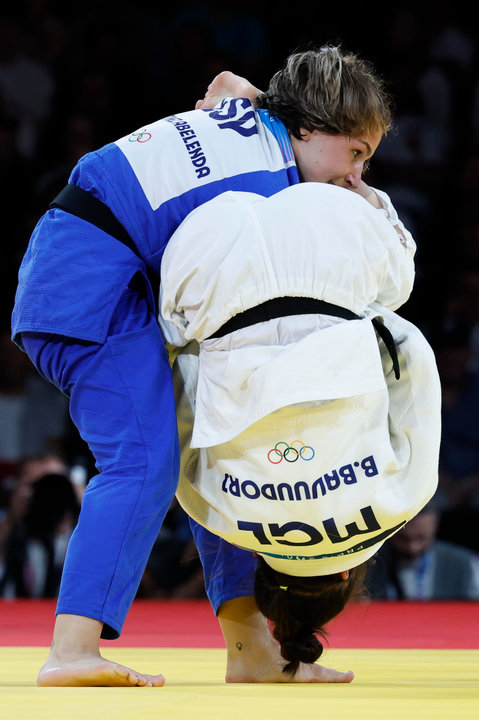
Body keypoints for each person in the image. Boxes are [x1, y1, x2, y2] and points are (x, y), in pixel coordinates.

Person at [11, 45, 396, 686]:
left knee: (214, 442)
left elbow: (224, 81)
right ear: (306, 128)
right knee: (143, 458)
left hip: (98, 274)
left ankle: (251, 653)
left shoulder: (255, 126)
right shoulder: (268, 189)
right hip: (83, 286)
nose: (355, 178)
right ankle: (71, 648)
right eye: (355, 154)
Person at [159, 180, 441, 680]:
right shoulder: (222, 517)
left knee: (398, 285)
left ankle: (366, 191)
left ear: (350, 576)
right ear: (262, 573)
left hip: (331, 239)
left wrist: (360, 324)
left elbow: (412, 360)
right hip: (210, 251)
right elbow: (181, 398)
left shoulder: (402, 502)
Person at [366, 501, 479, 600]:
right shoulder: (368, 563)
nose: (412, 548)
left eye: (421, 538)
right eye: (403, 538)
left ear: (435, 524)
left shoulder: (465, 563)